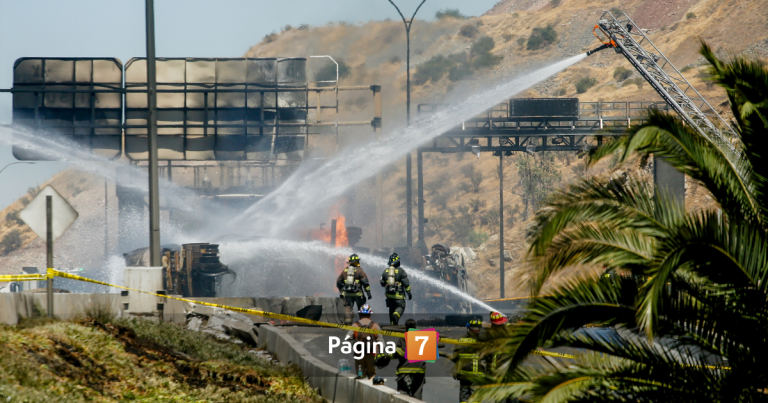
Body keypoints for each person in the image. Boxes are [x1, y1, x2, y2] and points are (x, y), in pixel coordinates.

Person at [376, 318, 426, 398]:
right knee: (417, 395)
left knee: (403, 395)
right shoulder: (423, 337)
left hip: (406, 370)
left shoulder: (403, 337)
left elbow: (399, 353)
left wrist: (387, 356)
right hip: (420, 372)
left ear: (405, 327)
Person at [346, 304, 382, 380]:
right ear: (370, 314)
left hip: (359, 354)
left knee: (361, 375)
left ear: (360, 314)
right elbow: (380, 341)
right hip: (371, 354)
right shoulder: (375, 325)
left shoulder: (355, 325)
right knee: (372, 375)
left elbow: (348, 338)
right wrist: (381, 353)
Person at [452, 317, 483, 403]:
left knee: (464, 395)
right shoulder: (481, 340)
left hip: (464, 373)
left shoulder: (461, 339)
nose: (477, 331)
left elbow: (455, 356)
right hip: (475, 374)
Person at [336, 254, 372, 325]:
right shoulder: (360, 271)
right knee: (361, 308)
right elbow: (365, 283)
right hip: (358, 294)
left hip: (347, 294)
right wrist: (368, 293)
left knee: (348, 308)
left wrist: (342, 290)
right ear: (357, 262)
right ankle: (363, 324)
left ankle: (348, 323)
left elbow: (338, 282)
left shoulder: (345, 271)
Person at [379, 253, 412, 325]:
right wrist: (409, 293)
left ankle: (393, 324)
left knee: (391, 309)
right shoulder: (401, 271)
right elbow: (406, 284)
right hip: (399, 296)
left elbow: (382, 283)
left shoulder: (385, 271)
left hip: (389, 296)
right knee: (400, 307)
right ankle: (396, 315)